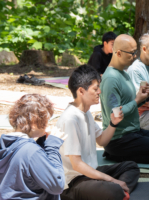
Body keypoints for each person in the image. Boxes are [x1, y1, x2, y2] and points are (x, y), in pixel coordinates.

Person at [56, 65, 140, 200]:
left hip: (91, 172)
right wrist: (112, 180)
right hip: (74, 181)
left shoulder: (86, 112)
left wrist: (113, 123)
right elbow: (77, 164)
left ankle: (119, 191)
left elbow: (101, 140)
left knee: (131, 167)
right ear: (81, 91)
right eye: (95, 89)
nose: (99, 92)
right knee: (113, 191)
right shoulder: (70, 118)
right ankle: (117, 191)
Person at [100, 34, 149, 164]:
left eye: (135, 52)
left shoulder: (123, 72)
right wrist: (137, 100)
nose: (135, 56)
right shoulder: (111, 78)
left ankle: (120, 153)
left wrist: (143, 97)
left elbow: (133, 101)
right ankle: (115, 155)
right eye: (132, 53)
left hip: (133, 130)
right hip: (118, 138)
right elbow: (115, 114)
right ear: (118, 53)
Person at [0, 94, 66, 200]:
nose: (47, 124)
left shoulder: (3, 145)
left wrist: (42, 142)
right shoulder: (31, 151)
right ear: (34, 119)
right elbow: (57, 185)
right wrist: (52, 147)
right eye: (46, 119)